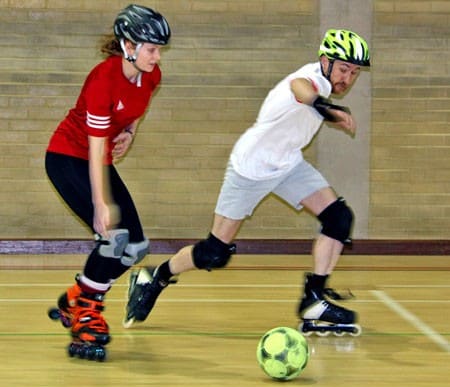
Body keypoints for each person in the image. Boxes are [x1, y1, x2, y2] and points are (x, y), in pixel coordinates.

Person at [123, 29, 370, 336]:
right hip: (251, 168)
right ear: (325, 61)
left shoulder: (324, 82)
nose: (348, 78)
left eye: (354, 73)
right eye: (344, 69)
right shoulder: (312, 79)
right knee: (214, 252)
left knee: (338, 218)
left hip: (288, 164)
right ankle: (154, 277)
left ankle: (314, 299)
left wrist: (326, 105)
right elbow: (300, 88)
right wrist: (325, 107)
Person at [45, 4, 171, 359]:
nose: (157, 56)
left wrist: (130, 131)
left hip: (96, 159)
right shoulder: (103, 78)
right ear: (128, 45)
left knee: (136, 248)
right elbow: (96, 145)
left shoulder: (152, 75)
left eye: (159, 49)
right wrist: (101, 204)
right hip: (68, 158)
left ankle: (76, 298)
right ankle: (87, 312)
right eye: (151, 48)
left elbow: (135, 109)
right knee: (114, 239)